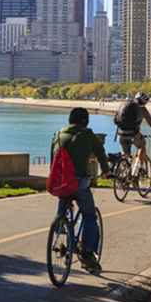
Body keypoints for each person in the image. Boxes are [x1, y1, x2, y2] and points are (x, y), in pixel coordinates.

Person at [51, 107, 112, 272]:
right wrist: (106, 172)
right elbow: (100, 153)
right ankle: (87, 254)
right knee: (90, 216)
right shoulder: (87, 134)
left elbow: (53, 161)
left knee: (64, 204)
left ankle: (59, 224)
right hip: (79, 183)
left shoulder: (58, 134)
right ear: (85, 121)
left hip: (59, 183)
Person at [115, 92, 151, 163]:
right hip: (133, 134)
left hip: (121, 133)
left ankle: (123, 168)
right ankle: (139, 166)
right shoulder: (143, 109)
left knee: (126, 154)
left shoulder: (125, 105)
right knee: (142, 145)